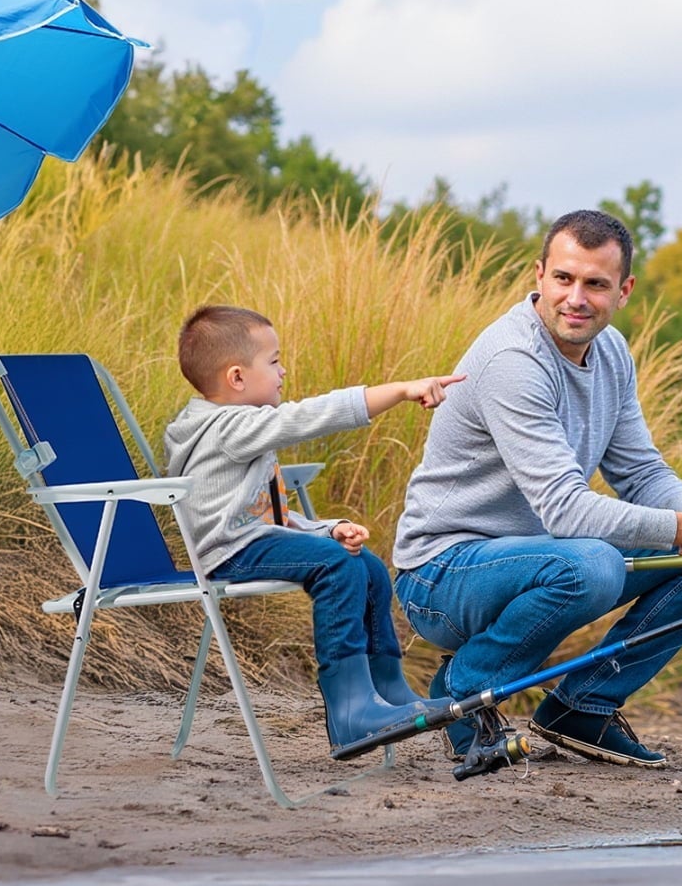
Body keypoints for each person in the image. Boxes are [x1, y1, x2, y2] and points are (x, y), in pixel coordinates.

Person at [393, 208, 682, 766]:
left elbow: (641, 472)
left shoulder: (612, 352)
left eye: (595, 284)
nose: (576, 298)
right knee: (592, 564)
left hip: (540, 558)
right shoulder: (513, 361)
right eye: (564, 279)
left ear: (623, 291)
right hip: (444, 574)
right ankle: (465, 690)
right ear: (538, 275)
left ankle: (584, 702)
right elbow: (566, 511)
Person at [163, 304, 464, 757]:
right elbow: (310, 416)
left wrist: (328, 529)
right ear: (237, 378)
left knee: (367, 567)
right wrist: (400, 390)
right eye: (274, 360)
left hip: (248, 541)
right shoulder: (230, 426)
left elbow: (268, 517)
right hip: (228, 552)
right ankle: (350, 709)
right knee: (340, 568)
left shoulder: (236, 430)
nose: (284, 371)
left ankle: (387, 687)